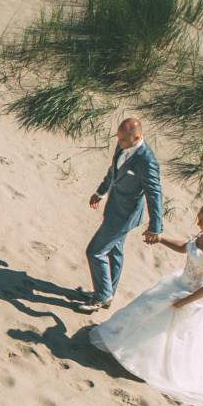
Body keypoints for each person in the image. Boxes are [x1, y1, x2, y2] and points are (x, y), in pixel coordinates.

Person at [83, 197, 203, 406]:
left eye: (201, 221)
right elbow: (186, 247)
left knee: (170, 333)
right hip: (179, 283)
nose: (198, 224)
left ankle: (149, 364)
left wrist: (183, 302)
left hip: (193, 295)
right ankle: (121, 344)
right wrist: (160, 239)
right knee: (144, 308)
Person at [79, 117, 164, 314]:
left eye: (124, 140)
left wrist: (155, 227)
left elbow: (154, 193)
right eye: (118, 139)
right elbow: (113, 171)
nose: (119, 143)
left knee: (95, 251)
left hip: (126, 215)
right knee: (114, 252)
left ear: (138, 137)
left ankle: (102, 296)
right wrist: (101, 192)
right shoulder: (122, 145)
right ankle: (107, 292)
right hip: (114, 207)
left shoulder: (147, 161)